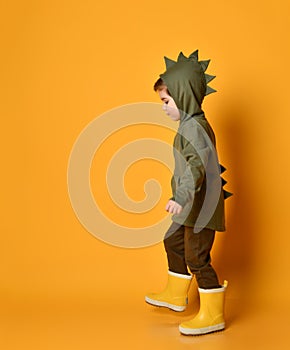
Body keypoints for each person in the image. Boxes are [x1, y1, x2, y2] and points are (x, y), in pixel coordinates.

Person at [145, 50, 232, 335]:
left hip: (200, 206)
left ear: (183, 97)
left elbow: (196, 166)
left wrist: (180, 197)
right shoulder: (188, 125)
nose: (164, 107)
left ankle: (213, 314)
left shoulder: (194, 129)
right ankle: (175, 295)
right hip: (191, 204)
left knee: (196, 257)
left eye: (166, 101)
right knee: (173, 241)